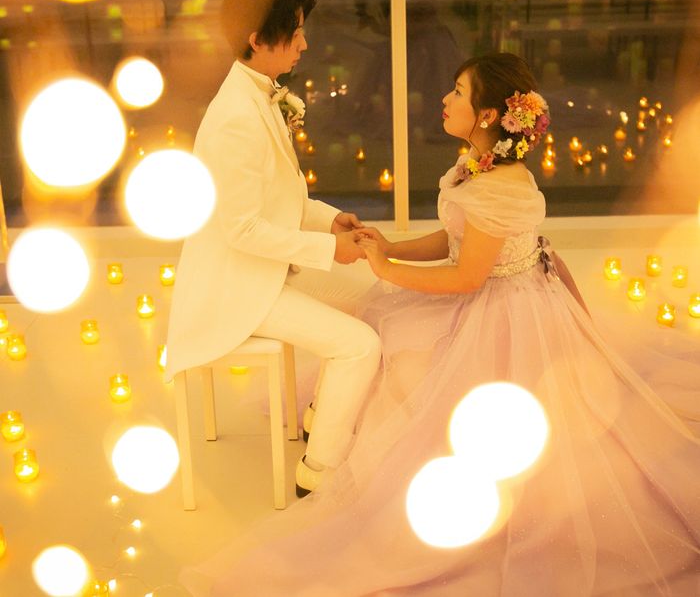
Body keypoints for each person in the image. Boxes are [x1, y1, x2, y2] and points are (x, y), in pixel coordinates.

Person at [180, 53, 700, 596]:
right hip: (484, 289)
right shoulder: (478, 164)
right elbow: (454, 239)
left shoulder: (501, 185)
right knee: (383, 321)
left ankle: (376, 469)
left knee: (409, 362)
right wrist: (391, 248)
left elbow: (467, 276)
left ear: (488, 115)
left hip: (505, 311)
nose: (445, 99)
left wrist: (388, 269)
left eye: (458, 92)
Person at [165, 0, 381, 497]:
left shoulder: (258, 95)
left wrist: (331, 221)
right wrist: (330, 250)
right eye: (297, 31)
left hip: (268, 268)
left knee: (373, 299)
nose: (305, 44)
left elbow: (281, 197)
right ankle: (319, 472)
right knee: (360, 346)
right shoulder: (235, 117)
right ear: (258, 39)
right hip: (238, 285)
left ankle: (319, 417)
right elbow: (242, 228)